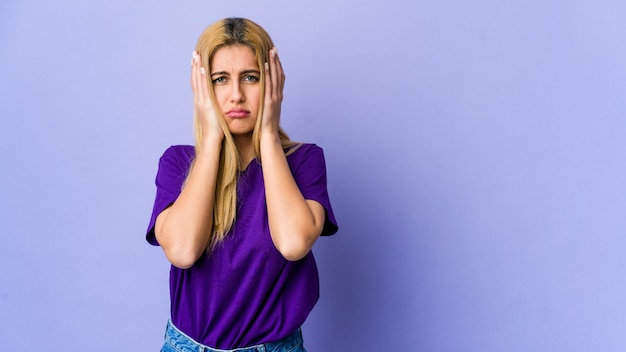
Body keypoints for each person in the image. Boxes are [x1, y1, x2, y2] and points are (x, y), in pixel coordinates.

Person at [145, 17, 338, 352]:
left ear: (272, 82)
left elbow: (294, 243)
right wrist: (212, 141)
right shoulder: (178, 164)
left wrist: (267, 133)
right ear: (203, 87)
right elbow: (183, 251)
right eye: (221, 80)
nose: (236, 95)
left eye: (250, 78)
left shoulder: (304, 162)